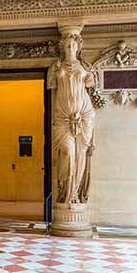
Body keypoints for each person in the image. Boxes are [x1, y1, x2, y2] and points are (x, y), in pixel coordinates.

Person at [47, 33, 96, 204]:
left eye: (73, 45)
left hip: (84, 115)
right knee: (67, 152)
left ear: (78, 47)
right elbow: (52, 86)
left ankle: (75, 194)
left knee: (81, 153)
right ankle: (65, 193)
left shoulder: (84, 67)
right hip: (63, 118)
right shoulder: (56, 67)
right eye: (67, 46)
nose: (70, 49)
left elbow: (90, 84)